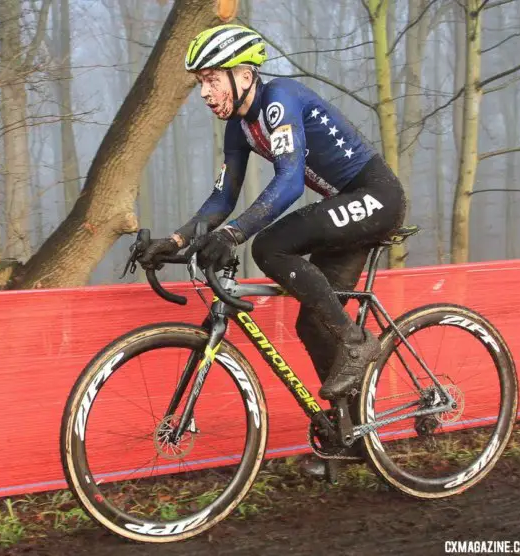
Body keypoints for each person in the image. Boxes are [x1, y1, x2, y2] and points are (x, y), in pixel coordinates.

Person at [138, 24, 406, 477]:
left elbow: (287, 182)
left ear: (244, 75)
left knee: (271, 244)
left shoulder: (279, 100)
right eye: (200, 82)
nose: (204, 92)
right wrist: (177, 240)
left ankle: (358, 343)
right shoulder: (240, 126)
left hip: (376, 198)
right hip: (345, 208)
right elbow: (223, 197)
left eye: (210, 79)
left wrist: (234, 236)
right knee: (313, 320)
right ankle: (353, 438)